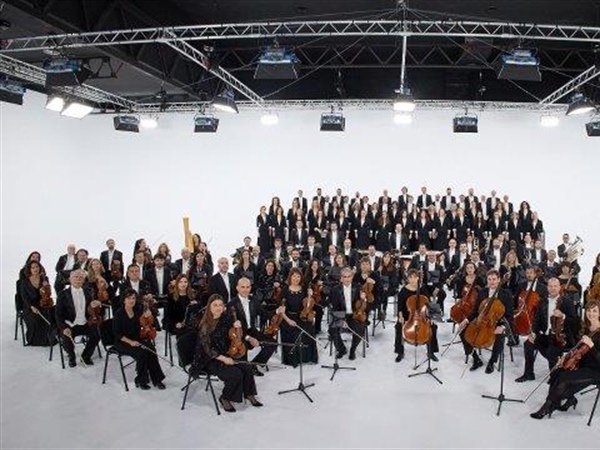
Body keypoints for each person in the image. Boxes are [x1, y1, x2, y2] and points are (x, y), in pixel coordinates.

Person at [530, 299, 600, 419]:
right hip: (582, 365)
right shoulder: (586, 328)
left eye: (595, 311)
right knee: (557, 372)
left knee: (563, 379)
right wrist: (566, 357)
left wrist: (592, 346)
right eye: (589, 310)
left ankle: (548, 406)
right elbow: (577, 349)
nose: (591, 314)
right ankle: (569, 400)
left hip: (596, 370)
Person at [192, 294, 263, 412]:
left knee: (246, 367)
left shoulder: (226, 318)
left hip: (226, 353)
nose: (218, 307)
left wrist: (238, 328)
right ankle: (225, 397)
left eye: (220, 305)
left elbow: (237, 334)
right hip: (209, 359)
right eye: (215, 305)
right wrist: (224, 359)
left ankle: (249, 393)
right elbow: (208, 349)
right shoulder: (205, 325)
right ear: (209, 306)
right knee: (235, 374)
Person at [515, 278, 580, 383]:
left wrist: (563, 316)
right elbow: (537, 320)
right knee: (528, 344)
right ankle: (529, 373)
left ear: (559, 287)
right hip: (545, 335)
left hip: (560, 337)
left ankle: (555, 375)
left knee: (551, 351)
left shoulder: (567, 302)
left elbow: (575, 323)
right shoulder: (542, 301)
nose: (553, 288)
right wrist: (533, 333)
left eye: (555, 286)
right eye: (550, 286)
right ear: (547, 288)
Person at [459, 269, 515, 373]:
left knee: (499, 336)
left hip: (498, 322)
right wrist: (466, 320)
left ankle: (492, 361)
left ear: (499, 280)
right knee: (463, 333)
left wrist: (502, 327)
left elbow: (510, 316)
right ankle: (476, 358)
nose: (492, 282)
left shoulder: (506, 294)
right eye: (489, 279)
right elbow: (475, 311)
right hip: (481, 321)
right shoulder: (482, 292)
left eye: (494, 279)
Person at [112, 289, 165, 390]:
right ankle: (141, 379)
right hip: (122, 342)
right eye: (128, 298)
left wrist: (149, 315)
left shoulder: (137, 310)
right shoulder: (119, 314)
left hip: (136, 338)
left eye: (133, 298)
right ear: (123, 300)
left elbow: (150, 320)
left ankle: (157, 379)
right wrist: (130, 342)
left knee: (151, 349)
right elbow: (117, 334)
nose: (131, 300)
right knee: (142, 353)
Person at [227, 278, 278, 376]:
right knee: (242, 354)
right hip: (239, 335)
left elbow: (264, 314)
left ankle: (254, 365)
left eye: (247, 287)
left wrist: (276, 312)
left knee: (272, 343)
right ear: (237, 288)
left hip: (252, 330)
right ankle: (245, 370)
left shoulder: (254, 300)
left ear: (250, 288)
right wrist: (249, 338)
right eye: (242, 287)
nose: (245, 290)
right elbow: (231, 328)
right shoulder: (231, 304)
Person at [55, 270, 101, 367]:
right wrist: (64, 328)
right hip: (70, 324)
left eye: (81, 278)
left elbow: (90, 307)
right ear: (70, 279)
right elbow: (58, 314)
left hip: (85, 322)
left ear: (84, 280)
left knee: (96, 335)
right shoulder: (62, 294)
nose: (78, 279)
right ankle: (71, 356)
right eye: (75, 277)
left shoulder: (88, 291)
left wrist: (95, 305)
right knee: (67, 337)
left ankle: (85, 356)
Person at [394, 269, 440, 362]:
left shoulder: (423, 288)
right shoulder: (403, 290)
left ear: (419, 278)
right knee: (398, 326)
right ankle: (400, 352)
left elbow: (430, 303)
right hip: (408, 316)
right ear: (408, 278)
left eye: (415, 277)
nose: (413, 279)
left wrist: (433, 317)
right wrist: (400, 316)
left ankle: (431, 352)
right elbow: (399, 307)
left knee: (433, 326)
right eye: (410, 277)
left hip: (422, 315)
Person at [278, 268, 319, 365]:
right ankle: (293, 360)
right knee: (291, 331)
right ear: (290, 277)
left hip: (302, 315)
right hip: (288, 317)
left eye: (298, 276)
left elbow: (309, 305)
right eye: (294, 276)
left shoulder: (304, 289)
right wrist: (288, 321)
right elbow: (281, 311)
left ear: (301, 278)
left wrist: (311, 295)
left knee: (309, 327)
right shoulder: (285, 290)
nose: (296, 278)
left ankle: (307, 358)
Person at [329, 267, 367, 360]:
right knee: (332, 330)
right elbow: (334, 308)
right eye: (344, 277)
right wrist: (341, 320)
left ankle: (352, 350)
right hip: (341, 315)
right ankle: (341, 349)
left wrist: (363, 299)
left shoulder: (358, 287)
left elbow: (364, 306)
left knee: (360, 329)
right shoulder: (335, 290)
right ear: (341, 278)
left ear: (352, 277)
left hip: (355, 316)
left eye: (349, 276)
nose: (346, 279)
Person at [20, 260, 55, 346]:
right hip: (30, 306)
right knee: (35, 318)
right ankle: (36, 341)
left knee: (51, 314)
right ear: (29, 269)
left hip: (43, 303)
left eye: (37, 267)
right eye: (33, 267)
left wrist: (46, 286)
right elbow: (24, 297)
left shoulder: (44, 278)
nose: (35, 269)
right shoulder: (24, 281)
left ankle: (50, 338)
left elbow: (48, 294)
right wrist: (31, 307)